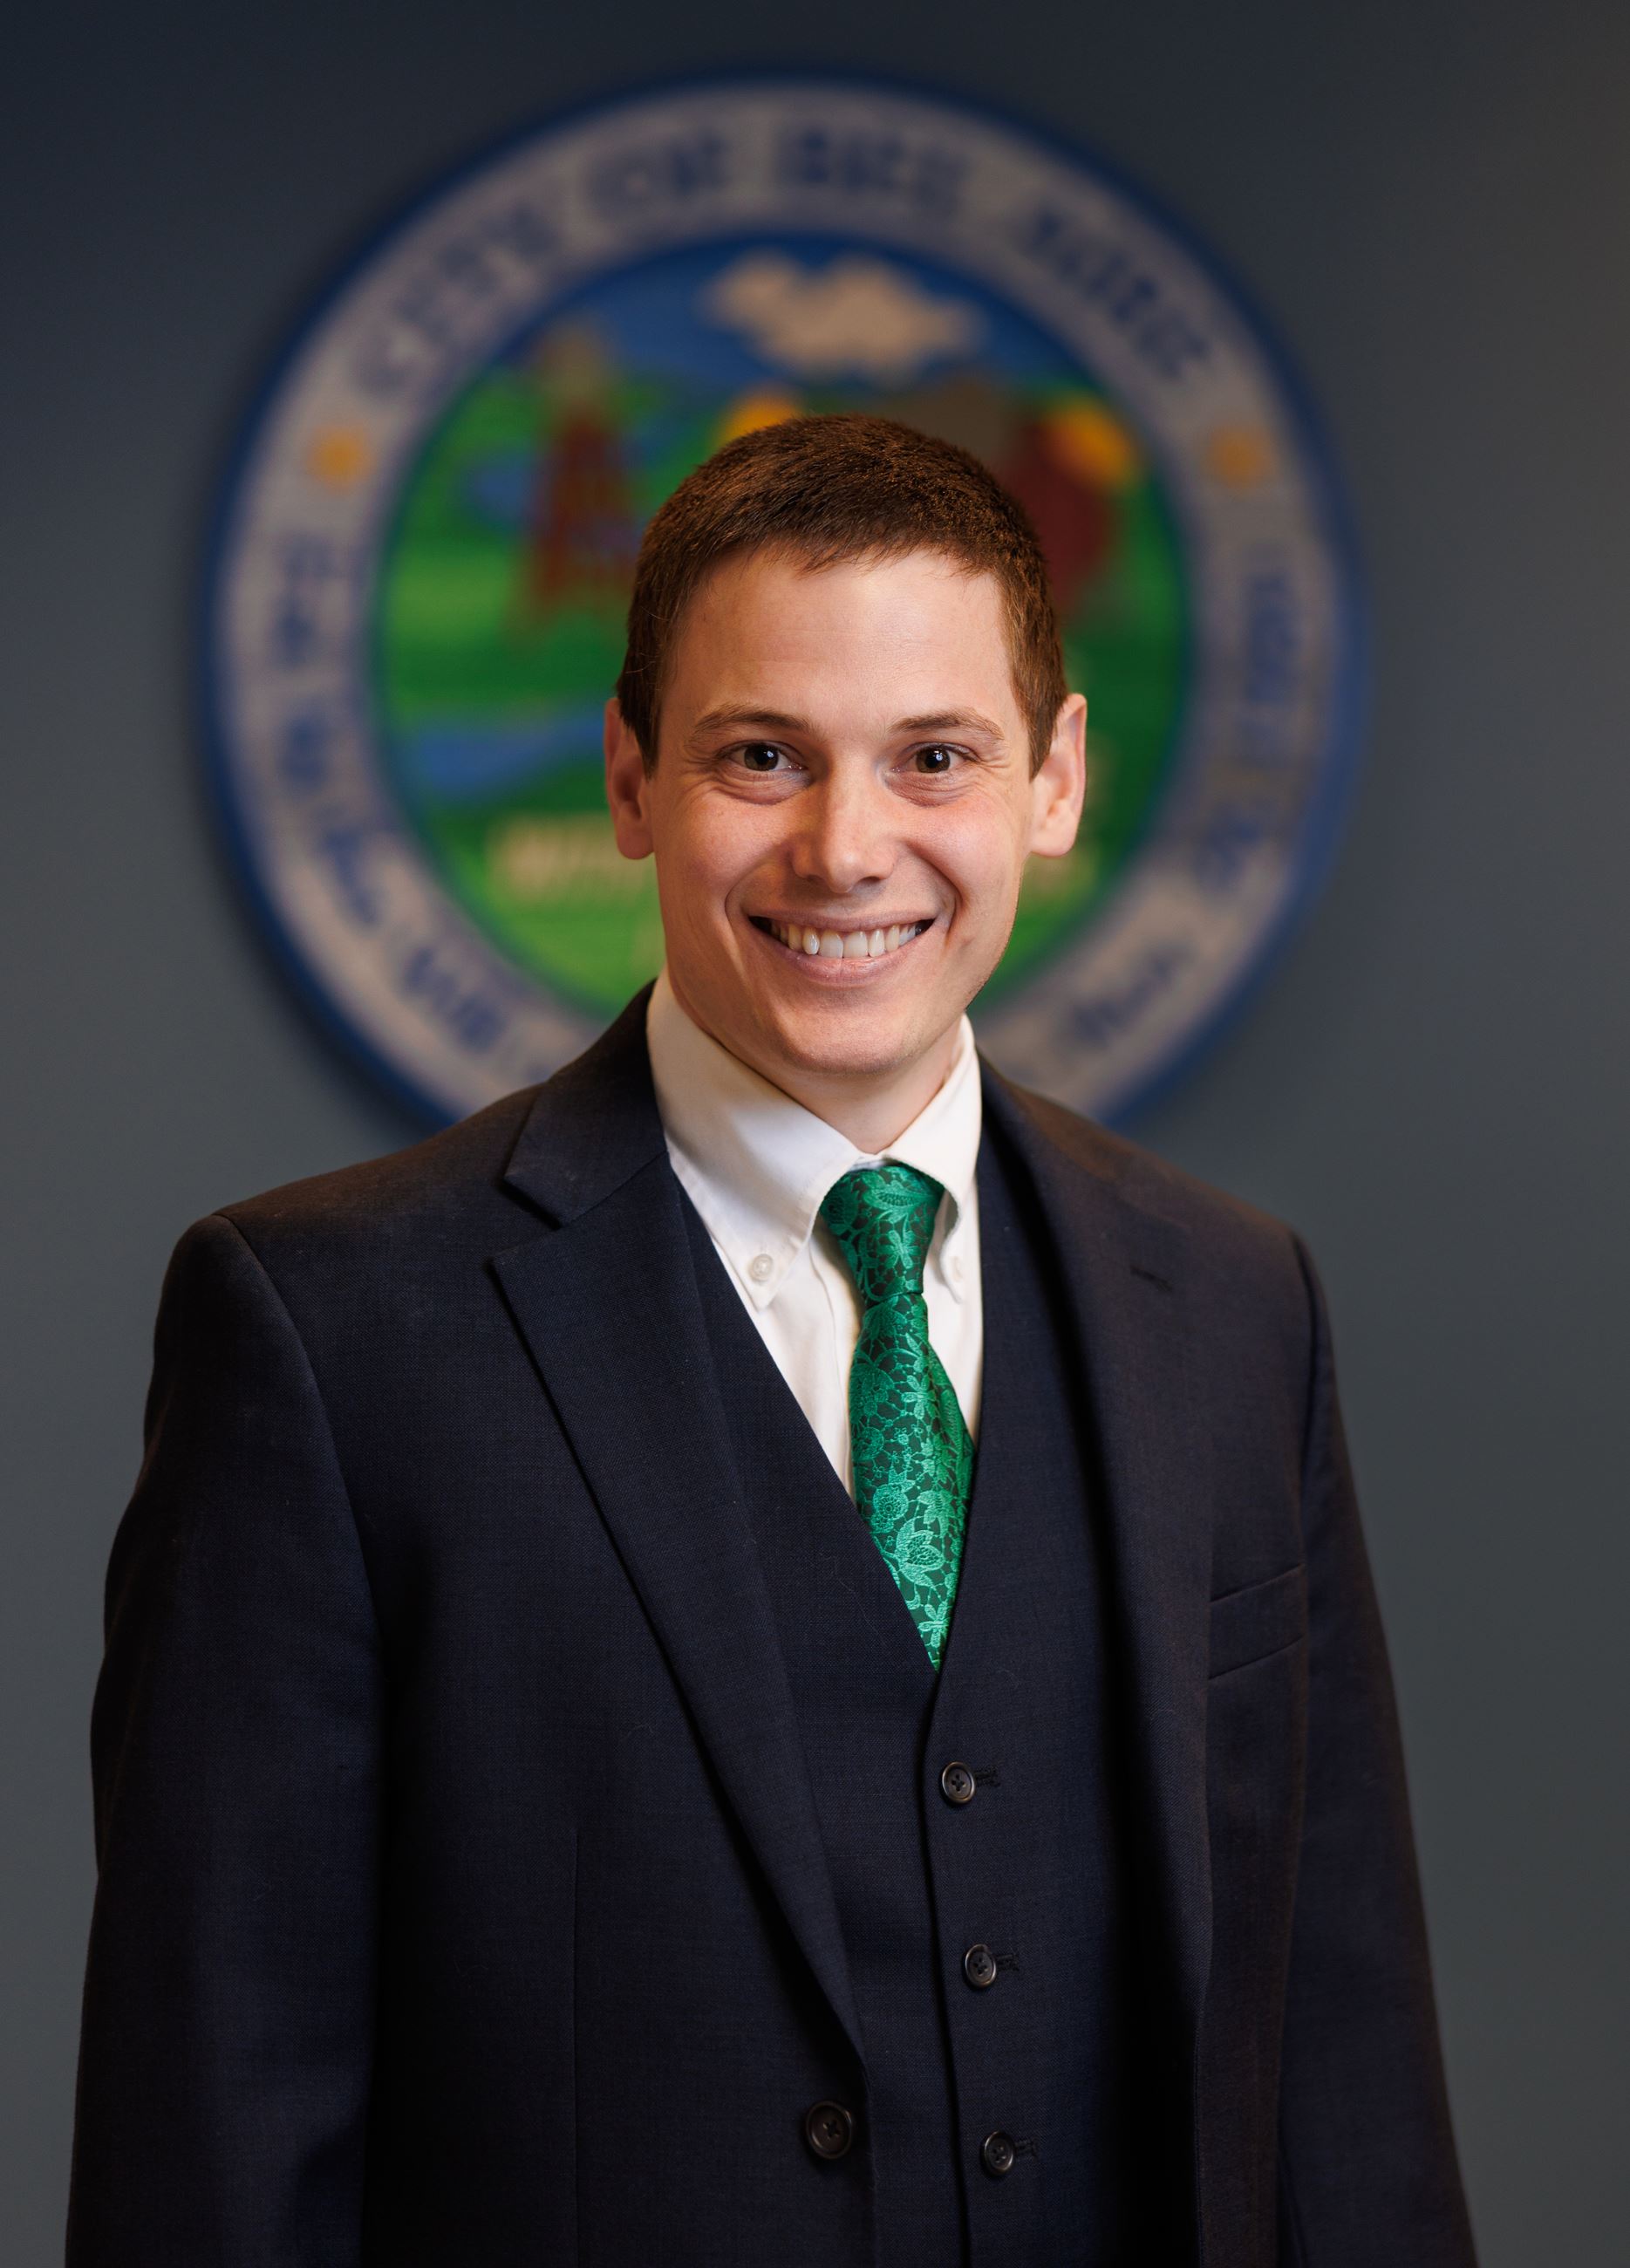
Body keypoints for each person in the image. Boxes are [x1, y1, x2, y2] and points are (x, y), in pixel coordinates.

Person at [67, 415, 1477, 2266]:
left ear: (1049, 778)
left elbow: (1340, 2075)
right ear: (632, 777)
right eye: (759, 755)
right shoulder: (327, 1332)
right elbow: (215, 2127)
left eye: (932, 758)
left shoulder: (1228, 1304)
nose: (844, 846)